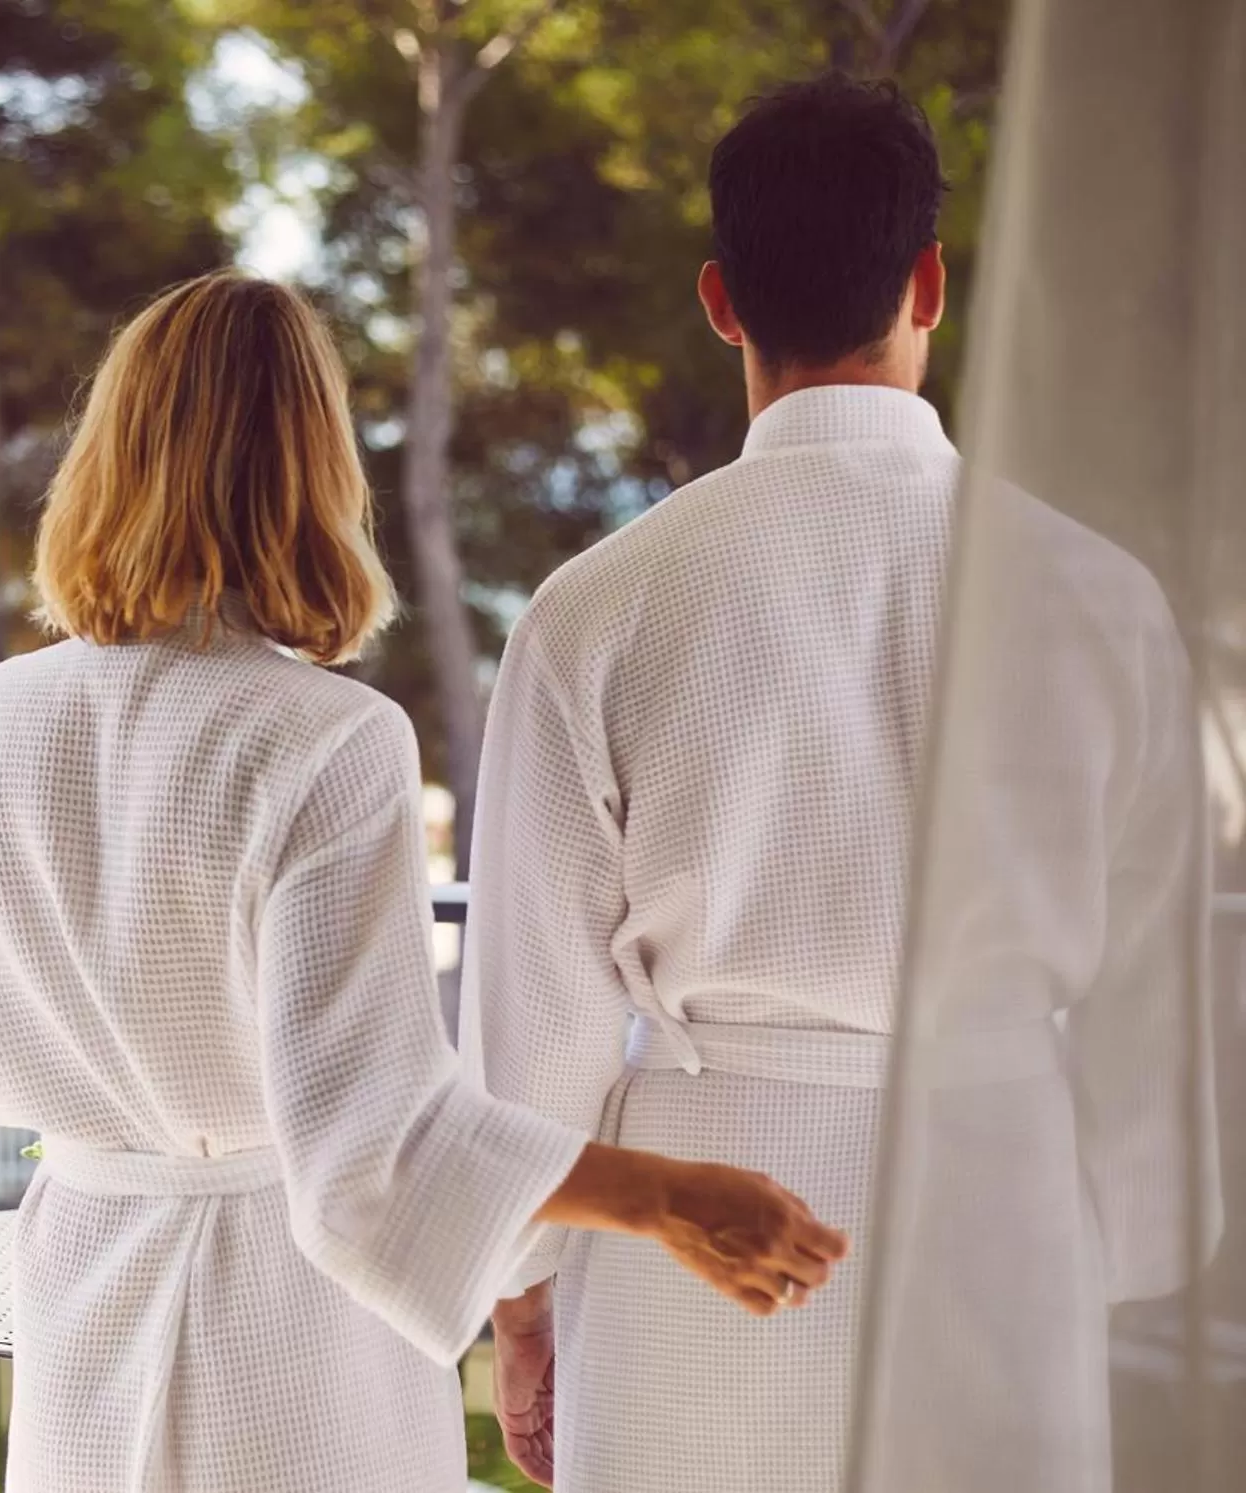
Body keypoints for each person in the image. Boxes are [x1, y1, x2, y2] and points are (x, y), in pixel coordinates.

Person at [0, 269, 846, 1493]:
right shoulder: (325, 740)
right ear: (314, 466)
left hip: (83, 1284)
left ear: (104, 453)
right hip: (288, 1333)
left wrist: (124, 1101)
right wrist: (666, 1195)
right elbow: (365, 1144)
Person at [464, 76, 958, 1491]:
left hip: (685, 1242)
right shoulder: (1091, 594)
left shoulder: (595, 606)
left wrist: (521, 1298)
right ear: (929, 283)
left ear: (721, 302)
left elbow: (534, 1022)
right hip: (997, 1201)